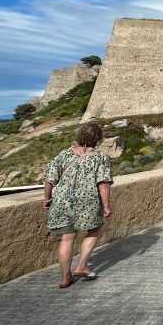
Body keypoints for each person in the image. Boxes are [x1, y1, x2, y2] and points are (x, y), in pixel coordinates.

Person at [43, 122, 113, 288]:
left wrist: (47, 198)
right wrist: (106, 205)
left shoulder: (65, 154)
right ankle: (81, 265)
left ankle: (65, 277)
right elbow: (103, 182)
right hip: (88, 201)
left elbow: (50, 178)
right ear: (98, 138)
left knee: (67, 238)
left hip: (62, 201)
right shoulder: (100, 157)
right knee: (94, 230)